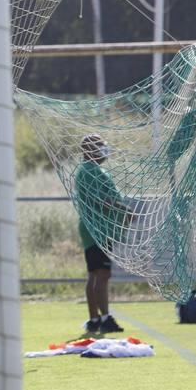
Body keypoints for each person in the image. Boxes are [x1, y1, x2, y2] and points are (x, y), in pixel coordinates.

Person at [74, 134, 124, 334]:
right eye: (99, 146)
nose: (104, 149)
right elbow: (99, 199)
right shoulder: (89, 171)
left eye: (104, 144)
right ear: (88, 150)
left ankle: (94, 319)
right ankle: (104, 318)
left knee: (95, 275)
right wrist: (123, 209)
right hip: (96, 230)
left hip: (97, 230)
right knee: (102, 274)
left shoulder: (95, 170)